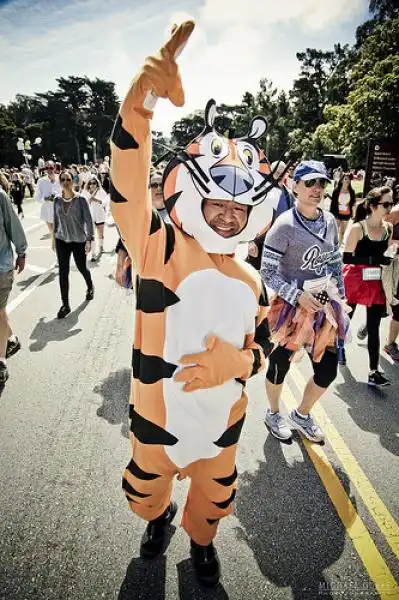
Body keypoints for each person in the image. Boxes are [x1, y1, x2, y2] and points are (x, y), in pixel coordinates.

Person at [110, 22, 279, 587]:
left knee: (211, 505)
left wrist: (241, 364)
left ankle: (200, 544)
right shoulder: (159, 248)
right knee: (145, 495)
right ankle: (158, 519)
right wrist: (143, 99)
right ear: (193, 195)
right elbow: (129, 189)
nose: (228, 216)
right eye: (217, 203)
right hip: (158, 421)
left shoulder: (253, 280)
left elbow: (264, 352)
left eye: (239, 209)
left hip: (221, 428)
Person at [261, 160, 347, 443]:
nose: (316, 188)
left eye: (321, 183)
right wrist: (297, 296)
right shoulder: (284, 226)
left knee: (327, 370)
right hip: (290, 310)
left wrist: (341, 299)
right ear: (294, 185)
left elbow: (335, 259)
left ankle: (302, 414)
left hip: (323, 307)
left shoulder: (330, 220)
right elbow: (267, 272)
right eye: (309, 182)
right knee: (279, 365)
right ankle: (273, 412)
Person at [343, 187, 395, 384]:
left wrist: (388, 258)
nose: (390, 208)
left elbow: (384, 256)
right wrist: (375, 258)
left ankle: (374, 372)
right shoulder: (358, 228)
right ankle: (338, 348)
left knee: (374, 328)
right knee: (346, 320)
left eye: (391, 203)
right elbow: (347, 257)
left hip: (375, 282)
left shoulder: (388, 229)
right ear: (373, 206)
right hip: (355, 279)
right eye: (386, 204)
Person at [53, 169, 94, 319]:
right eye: (62, 180)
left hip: (78, 240)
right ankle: (65, 304)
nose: (65, 182)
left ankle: (90, 286)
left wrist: (89, 239)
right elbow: (55, 221)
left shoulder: (81, 199)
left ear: (73, 181)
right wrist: (53, 240)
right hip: (61, 240)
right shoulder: (57, 200)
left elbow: (89, 221)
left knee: (82, 267)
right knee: (63, 272)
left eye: (68, 179)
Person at [0, 187, 27, 385]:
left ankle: (1, 361)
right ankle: (11, 338)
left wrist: (22, 252)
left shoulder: (0, 196)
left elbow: (12, 224)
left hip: (1, 266)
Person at [246, 160, 294, 271]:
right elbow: (250, 217)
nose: (280, 174)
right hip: (259, 244)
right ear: (270, 172)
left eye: (283, 172)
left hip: (278, 247)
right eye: (276, 171)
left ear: (287, 174)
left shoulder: (289, 196)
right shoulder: (260, 192)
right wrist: (250, 241)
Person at [82, 175, 108, 261]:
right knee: (91, 236)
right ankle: (93, 254)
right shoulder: (85, 192)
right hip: (90, 217)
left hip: (100, 215)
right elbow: (81, 202)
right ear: (88, 184)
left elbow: (105, 202)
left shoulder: (101, 191)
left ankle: (101, 248)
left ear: (97, 184)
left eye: (94, 183)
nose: (92, 185)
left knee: (101, 234)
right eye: (90, 183)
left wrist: (96, 200)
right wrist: (88, 201)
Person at [34, 160, 61, 236]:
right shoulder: (41, 181)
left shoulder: (60, 178)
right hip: (47, 210)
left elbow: (65, 191)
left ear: (55, 167)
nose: (49, 170)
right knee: (53, 234)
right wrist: (45, 199)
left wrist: (58, 197)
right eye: (47, 168)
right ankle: (55, 246)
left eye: (51, 168)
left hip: (60, 209)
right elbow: (36, 197)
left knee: (61, 233)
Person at [329, 172, 356, 244]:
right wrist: (331, 214)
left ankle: (339, 246)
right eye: (346, 179)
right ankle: (333, 246)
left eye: (349, 179)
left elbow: (353, 203)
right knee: (335, 232)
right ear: (341, 180)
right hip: (337, 213)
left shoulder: (352, 192)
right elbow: (333, 203)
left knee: (342, 232)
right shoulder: (336, 191)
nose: (347, 181)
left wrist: (353, 214)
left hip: (346, 214)